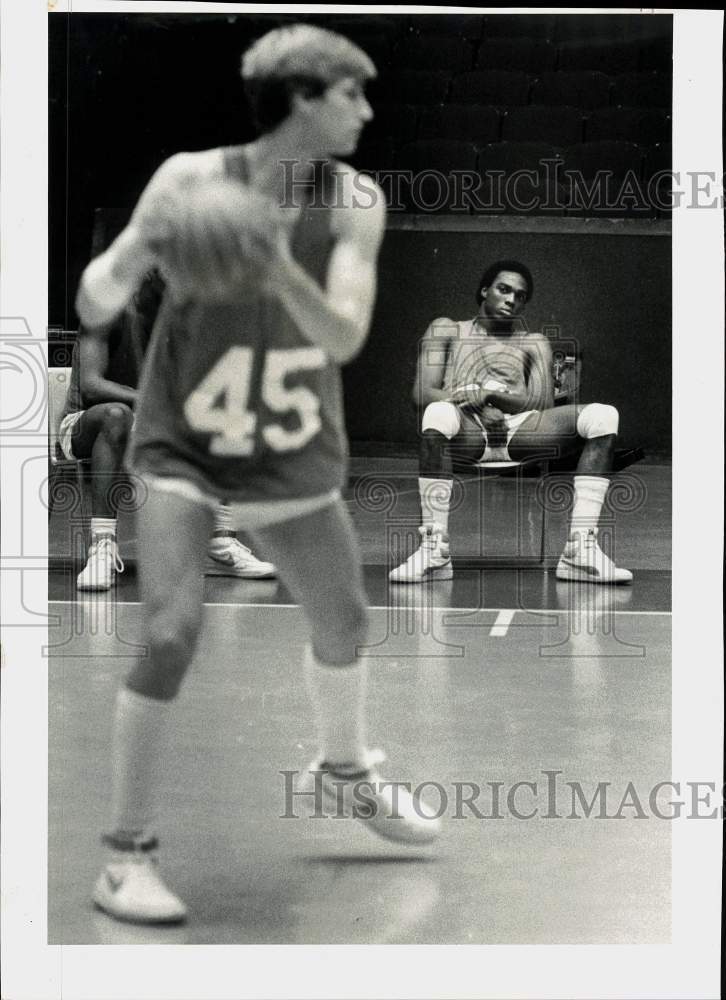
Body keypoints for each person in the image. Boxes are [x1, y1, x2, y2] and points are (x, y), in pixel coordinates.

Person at [75, 24, 441, 925]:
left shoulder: (354, 198)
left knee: (346, 621)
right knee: (168, 631)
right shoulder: (190, 181)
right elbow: (93, 301)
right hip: (185, 442)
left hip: (289, 441)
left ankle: (344, 769)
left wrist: (273, 263)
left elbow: (345, 337)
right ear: (303, 100)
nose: (366, 109)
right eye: (351, 93)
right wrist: (132, 256)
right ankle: (124, 858)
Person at [389, 260, 633, 585]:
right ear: (484, 290)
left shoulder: (533, 342)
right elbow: (421, 393)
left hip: (521, 430)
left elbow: (542, 401)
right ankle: (434, 551)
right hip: (466, 428)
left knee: (604, 416)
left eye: (520, 296)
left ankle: (579, 552)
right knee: (435, 414)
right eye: (504, 290)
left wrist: (491, 397)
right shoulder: (446, 328)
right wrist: (473, 400)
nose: (511, 300)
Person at [58, 270, 276, 589]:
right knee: (117, 417)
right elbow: (91, 385)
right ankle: (102, 547)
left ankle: (220, 543)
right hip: (86, 426)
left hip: (151, 426)